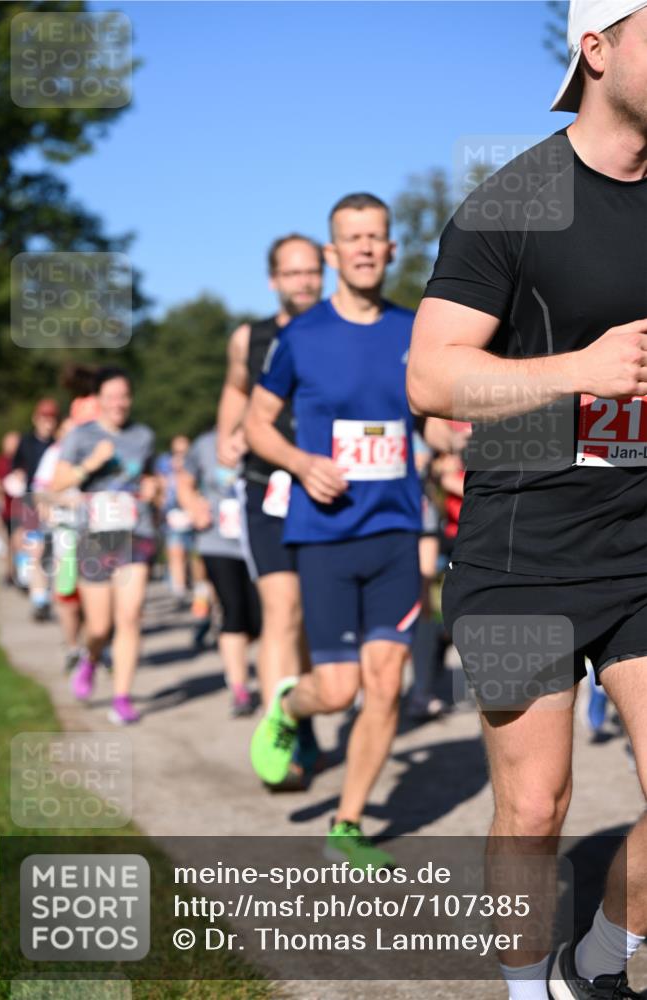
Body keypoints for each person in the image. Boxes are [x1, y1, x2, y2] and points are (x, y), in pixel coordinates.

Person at [406, 2, 647, 996]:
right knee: (535, 804)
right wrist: (578, 369)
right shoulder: (516, 200)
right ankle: (519, 984)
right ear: (596, 49)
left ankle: (600, 952)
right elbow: (430, 377)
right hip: (518, 552)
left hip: (639, 546)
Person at [246, 193, 422, 867]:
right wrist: (299, 460)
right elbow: (255, 424)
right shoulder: (301, 336)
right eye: (353, 237)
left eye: (376, 236)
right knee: (339, 689)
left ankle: (347, 822)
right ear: (332, 253)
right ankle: (291, 706)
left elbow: (434, 414)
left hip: (395, 531)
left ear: (391, 249)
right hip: (321, 533)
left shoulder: (415, 330)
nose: (366, 247)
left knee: (385, 682)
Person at [216, 233, 324, 784]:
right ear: (273, 280)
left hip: (326, 489)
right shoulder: (250, 338)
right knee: (280, 610)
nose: (304, 281)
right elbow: (237, 389)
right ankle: (276, 734)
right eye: (293, 273)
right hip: (265, 487)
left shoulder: (337, 331)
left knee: (307, 615)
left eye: (312, 272)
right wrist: (226, 436)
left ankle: (300, 711)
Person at [52, 367, 158, 725]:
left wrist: (153, 488)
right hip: (95, 537)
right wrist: (91, 465)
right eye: (111, 397)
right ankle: (91, 659)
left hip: (135, 533)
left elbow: (148, 476)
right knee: (99, 626)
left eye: (124, 396)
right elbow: (57, 482)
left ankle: (122, 696)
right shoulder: (82, 436)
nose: (119, 403)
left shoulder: (143, 435)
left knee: (129, 617)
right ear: (97, 400)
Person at [178, 427, 261, 717]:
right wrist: (193, 506)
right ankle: (239, 688)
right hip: (217, 542)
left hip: (259, 541)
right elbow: (185, 482)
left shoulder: (264, 435)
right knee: (233, 609)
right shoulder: (205, 443)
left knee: (260, 619)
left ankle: (247, 655)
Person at [32, 417, 86, 672]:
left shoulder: (93, 453)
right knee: (67, 593)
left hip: (97, 534)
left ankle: (95, 646)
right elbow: (39, 492)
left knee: (95, 594)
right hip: (64, 532)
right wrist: (62, 500)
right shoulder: (53, 455)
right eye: (68, 431)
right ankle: (73, 645)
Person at [11, 398, 60, 618]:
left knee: (57, 554)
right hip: (32, 503)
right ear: (36, 419)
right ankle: (40, 599)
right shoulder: (26, 442)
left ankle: (55, 594)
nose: (47, 423)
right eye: (44, 418)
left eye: (51, 418)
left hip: (57, 503)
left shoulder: (60, 444)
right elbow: (16, 470)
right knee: (36, 551)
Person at [155, 434, 202, 609]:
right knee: (176, 553)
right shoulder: (164, 464)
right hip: (173, 513)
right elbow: (161, 488)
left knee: (196, 556)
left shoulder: (195, 462)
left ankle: (200, 588)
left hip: (193, 511)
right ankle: (179, 591)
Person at [0, 431, 21, 585]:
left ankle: (21, 575)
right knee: (9, 544)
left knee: (21, 544)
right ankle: (10, 573)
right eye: (10, 443)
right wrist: (1, 487)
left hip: (24, 510)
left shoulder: (24, 461)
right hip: (7, 510)